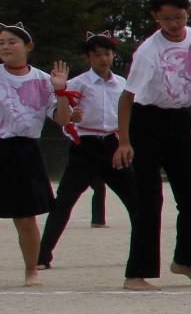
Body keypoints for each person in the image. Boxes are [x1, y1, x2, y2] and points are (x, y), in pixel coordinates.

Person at [114, 0, 191, 290]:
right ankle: (136, 273)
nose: (173, 24)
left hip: (178, 122)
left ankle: (184, 260)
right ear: (155, 18)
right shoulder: (148, 51)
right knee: (150, 200)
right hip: (147, 121)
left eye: (178, 17)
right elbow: (127, 97)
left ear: (188, 14)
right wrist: (124, 140)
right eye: (165, 18)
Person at [38, 32, 138, 268]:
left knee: (136, 202)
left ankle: (141, 253)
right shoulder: (76, 84)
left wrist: (127, 141)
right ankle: (42, 256)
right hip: (85, 145)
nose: (103, 59)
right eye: (97, 55)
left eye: (107, 54)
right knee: (63, 202)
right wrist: (72, 118)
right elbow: (61, 117)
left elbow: (130, 115)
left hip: (114, 144)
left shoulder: (123, 84)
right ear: (88, 58)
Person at [0, 23, 71, 286]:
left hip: (23, 150)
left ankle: (31, 270)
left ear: (28, 46)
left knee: (25, 217)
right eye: (1, 43)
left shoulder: (42, 80)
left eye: (12, 42)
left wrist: (61, 90)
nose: (6, 47)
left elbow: (63, 120)